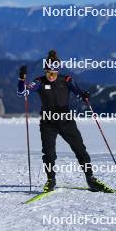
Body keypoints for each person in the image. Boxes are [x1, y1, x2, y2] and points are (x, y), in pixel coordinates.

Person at [17, 50, 109, 193]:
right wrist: (22, 79)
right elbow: (22, 92)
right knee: (48, 153)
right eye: (48, 73)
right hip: (48, 122)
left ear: (58, 71)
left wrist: (84, 96)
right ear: (45, 71)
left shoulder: (66, 80)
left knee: (80, 150)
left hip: (66, 120)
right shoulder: (39, 82)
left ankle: (91, 179)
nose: (51, 76)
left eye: (54, 73)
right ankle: (51, 180)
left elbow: (78, 92)